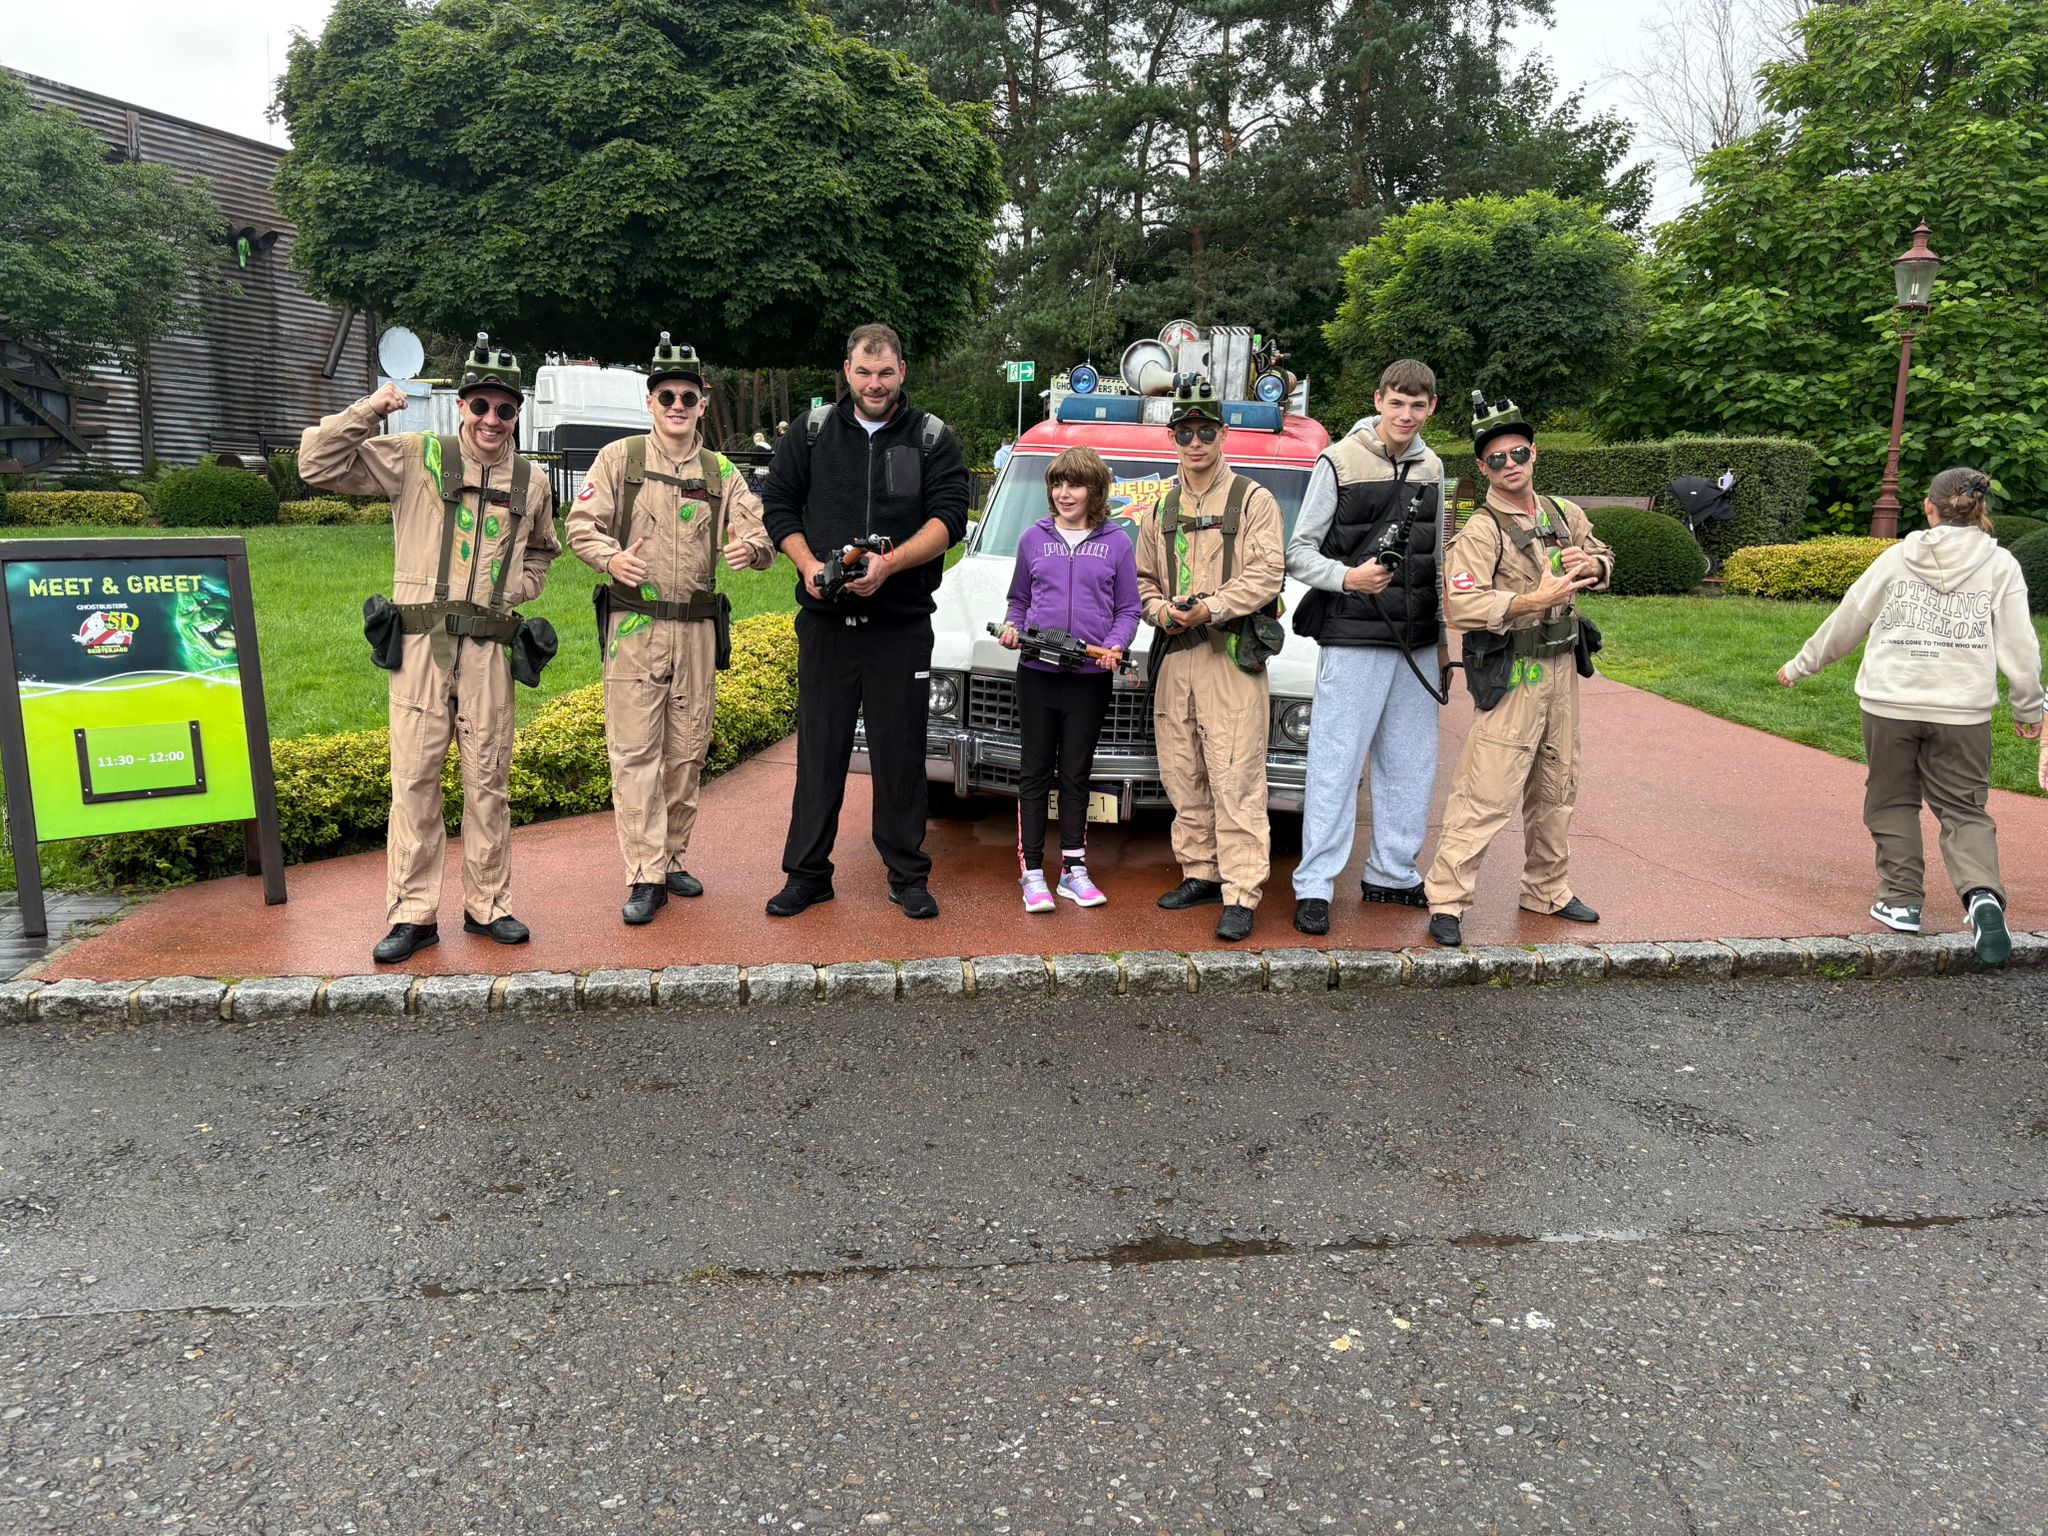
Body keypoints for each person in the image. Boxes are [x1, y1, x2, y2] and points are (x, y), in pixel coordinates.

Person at [298, 333, 559, 963]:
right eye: (481, 406)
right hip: (419, 649)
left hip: (489, 652)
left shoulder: (532, 482)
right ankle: (413, 913)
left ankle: (488, 904)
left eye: (504, 409)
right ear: (462, 405)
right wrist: (371, 408)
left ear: (516, 414)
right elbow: (316, 464)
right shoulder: (419, 456)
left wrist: (516, 588)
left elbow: (543, 551)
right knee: (414, 779)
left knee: (488, 779)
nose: (492, 420)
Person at [1777, 467, 2043, 965]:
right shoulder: (2000, 565)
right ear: (1981, 510)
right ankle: (1982, 895)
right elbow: (2020, 644)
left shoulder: (1897, 558)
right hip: (1963, 711)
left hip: (1890, 703)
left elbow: (1849, 619)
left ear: (1929, 507)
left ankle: (1901, 902)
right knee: (1965, 810)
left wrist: (1802, 664)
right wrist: (2028, 704)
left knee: (1892, 799)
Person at [760, 322, 970, 919]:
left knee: (901, 754)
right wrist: (807, 565)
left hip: (900, 624)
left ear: (902, 371)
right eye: (863, 372)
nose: (874, 384)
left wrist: (890, 565)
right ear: (846, 372)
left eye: (884, 372)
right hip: (826, 623)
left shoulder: (931, 438)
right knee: (819, 751)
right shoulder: (811, 432)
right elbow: (778, 505)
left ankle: (907, 876)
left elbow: (950, 518)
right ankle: (807, 875)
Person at [567, 334, 775, 925]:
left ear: (702, 404)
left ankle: (672, 855)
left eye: (687, 397)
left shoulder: (721, 472)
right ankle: (644, 873)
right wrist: (611, 558)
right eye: (666, 396)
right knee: (635, 752)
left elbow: (759, 533)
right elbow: (580, 524)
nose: (677, 406)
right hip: (634, 629)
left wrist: (751, 550)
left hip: (696, 632)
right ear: (650, 402)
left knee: (687, 752)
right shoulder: (621, 460)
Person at [1422, 398, 1612, 948]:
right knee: (1485, 789)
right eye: (1497, 458)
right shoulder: (1481, 531)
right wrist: (1534, 600)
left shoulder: (1562, 514)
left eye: (1518, 453)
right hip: (1515, 673)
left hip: (1562, 669)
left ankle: (1547, 889)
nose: (1510, 464)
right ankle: (1448, 900)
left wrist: (1593, 565)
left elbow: (1602, 552)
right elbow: (1462, 606)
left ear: (1534, 454)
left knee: (1558, 782)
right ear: (1483, 468)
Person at [1286, 358, 1447, 936]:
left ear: (1431, 407)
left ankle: (1393, 873)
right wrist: (1348, 578)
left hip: (1415, 640)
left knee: (1411, 764)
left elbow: (1437, 560)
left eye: (1418, 404)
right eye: (1397, 402)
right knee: (1336, 764)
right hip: (1354, 635)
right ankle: (1314, 884)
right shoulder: (1337, 461)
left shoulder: (1433, 466)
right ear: (1379, 400)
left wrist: (1442, 640)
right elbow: (1297, 552)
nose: (1406, 414)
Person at [1132, 380, 1287, 942]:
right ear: (1172, 437)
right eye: (1184, 433)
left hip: (1231, 656)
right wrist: (1161, 612)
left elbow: (1268, 573)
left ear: (1223, 435)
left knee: (1236, 775)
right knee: (1183, 771)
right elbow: (1143, 581)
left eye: (1204, 432)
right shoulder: (1160, 508)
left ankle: (1241, 891)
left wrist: (1211, 607)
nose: (1194, 443)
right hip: (1178, 657)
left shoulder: (1254, 500)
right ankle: (1200, 871)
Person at [999, 446, 1143, 911]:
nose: (1064, 493)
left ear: (1095, 490)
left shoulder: (1117, 543)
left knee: (1077, 773)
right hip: (1036, 673)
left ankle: (1073, 870)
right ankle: (1032, 872)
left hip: (1089, 677)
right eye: (1058, 484)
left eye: (1075, 484)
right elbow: (1019, 600)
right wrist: (1013, 627)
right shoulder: (1032, 539)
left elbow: (1129, 609)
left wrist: (1115, 644)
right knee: (1035, 772)